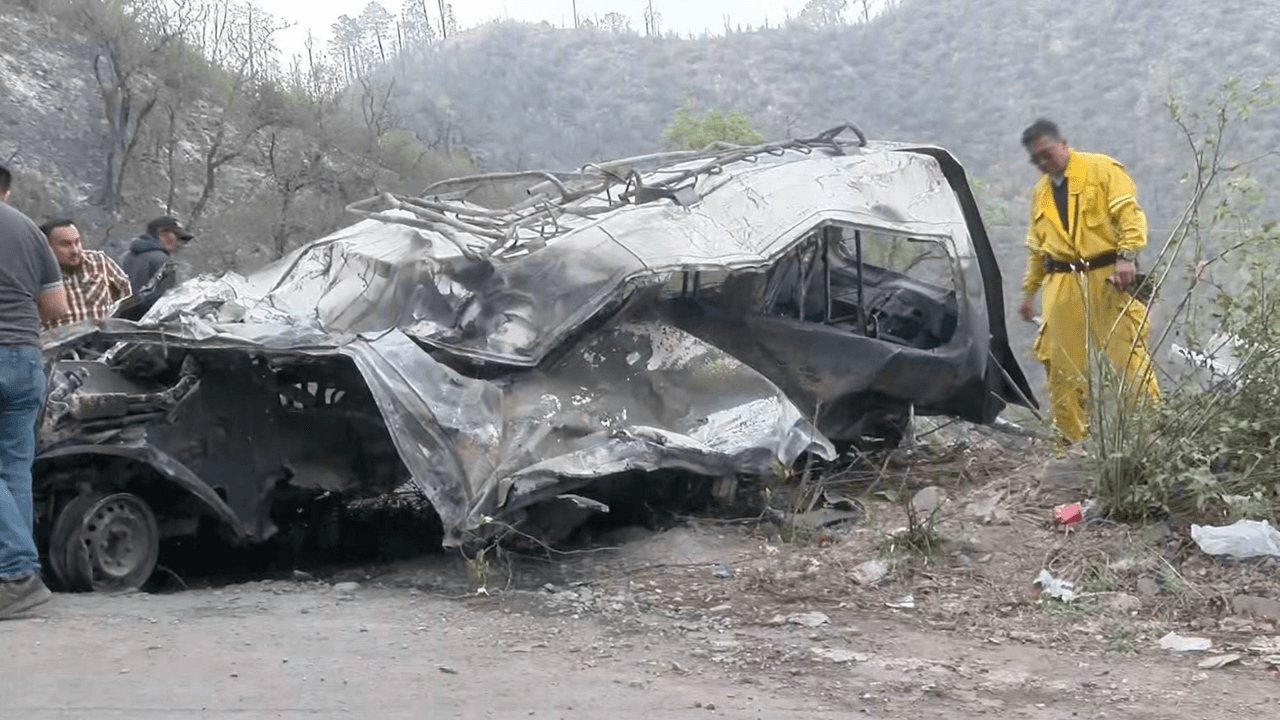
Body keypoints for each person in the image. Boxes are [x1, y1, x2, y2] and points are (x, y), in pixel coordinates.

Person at [1018, 119, 1160, 444]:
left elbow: (1129, 215)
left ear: (1063, 144)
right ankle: (1071, 449)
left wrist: (1126, 257)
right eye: (1035, 159)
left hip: (1107, 278)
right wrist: (1029, 293)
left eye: (1047, 153)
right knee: (1061, 370)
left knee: (1129, 360)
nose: (1043, 163)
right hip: (1060, 284)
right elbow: (1037, 249)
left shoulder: (1101, 169)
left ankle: (1152, 440)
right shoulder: (1040, 193)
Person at [0, 163, 69, 619]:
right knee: (14, 472)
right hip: (25, 357)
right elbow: (56, 307)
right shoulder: (28, 228)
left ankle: (16, 575)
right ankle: (20, 582)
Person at [39, 218, 132, 330]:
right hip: (59, 344)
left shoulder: (98, 261)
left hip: (104, 342)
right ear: (47, 247)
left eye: (77, 242)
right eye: (66, 244)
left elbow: (125, 294)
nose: (75, 250)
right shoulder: (37, 274)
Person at [119, 215, 193, 313]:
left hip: (119, 320)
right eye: (178, 237)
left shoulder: (125, 257)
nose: (180, 243)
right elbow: (165, 300)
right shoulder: (162, 260)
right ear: (163, 233)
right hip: (146, 323)